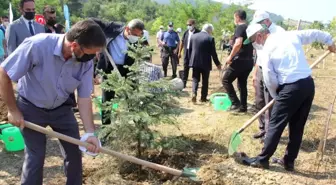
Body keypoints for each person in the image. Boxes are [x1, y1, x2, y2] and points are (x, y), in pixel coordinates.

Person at [0, 19, 105, 185]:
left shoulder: (85, 62)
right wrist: (13, 110)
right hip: (31, 107)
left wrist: (90, 132)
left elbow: (84, 98)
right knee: (36, 156)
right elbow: (4, 73)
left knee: (74, 153)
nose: (92, 58)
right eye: (90, 53)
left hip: (62, 109)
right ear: (75, 46)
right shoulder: (37, 45)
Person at [241, 24, 336, 170]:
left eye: (254, 40)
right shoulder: (289, 35)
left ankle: (262, 159)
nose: (255, 44)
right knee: (297, 127)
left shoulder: (266, 50)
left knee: (275, 124)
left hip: (290, 86)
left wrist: (276, 94)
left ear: (260, 36)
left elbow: (269, 78)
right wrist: (330, 42)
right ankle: (289, 161)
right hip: (308, 85)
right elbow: (315, 33)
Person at [92, 18, 146, 125]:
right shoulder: (113, 28)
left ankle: (137, 124)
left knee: (131, 96)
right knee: (107, 99)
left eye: (138, 35)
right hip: (110, 69)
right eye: (134, 34)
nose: (136, 37)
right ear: (127, 29)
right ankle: (106, 127)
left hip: (127, 70)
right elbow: (93, 20)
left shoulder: (137, 40)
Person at [251, 10, 285, 140]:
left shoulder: (279, 32)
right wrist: (255, 74)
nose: (258, 25)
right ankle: (262, 128)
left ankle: (269, 132)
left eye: (260, 22)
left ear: (266, 21)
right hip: (260, 68)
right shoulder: (259, 32)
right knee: (259, 99)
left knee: (270, 102)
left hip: (272, 70)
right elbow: (259, 55)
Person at [222, 9, 254, 112]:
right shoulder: (250, 28)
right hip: (249, 61)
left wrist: (230, 57)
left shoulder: (240, 27)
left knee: (226, 80)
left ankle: (235, 103)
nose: (234, 20)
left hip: (240, 60)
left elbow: (238, 43)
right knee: (242, 83)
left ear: (237, 17)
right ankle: (243, 107)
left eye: (234, 18)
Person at [189, 24, 221, 103]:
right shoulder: (210, 38)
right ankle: (203, 98)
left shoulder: (193, 36)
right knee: (205, 80)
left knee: (195, 79)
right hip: (205, 63)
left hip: (195, 61)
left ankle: (194, 93)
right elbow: (213, 53)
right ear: (209, 30)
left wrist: (190, 60)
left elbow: (190, 50)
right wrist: (218, 64)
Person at [178, 19, 200, 88]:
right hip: (186, 52)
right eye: (187, 25)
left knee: (195, 68)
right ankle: (184, 83)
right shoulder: (186, 32)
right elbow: (182, 42)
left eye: (190, 25)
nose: (188, 26)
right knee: (185, 67)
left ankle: (195, 84)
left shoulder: (198, 33)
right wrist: (179, 52)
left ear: (194, 25)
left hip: (194, 52)